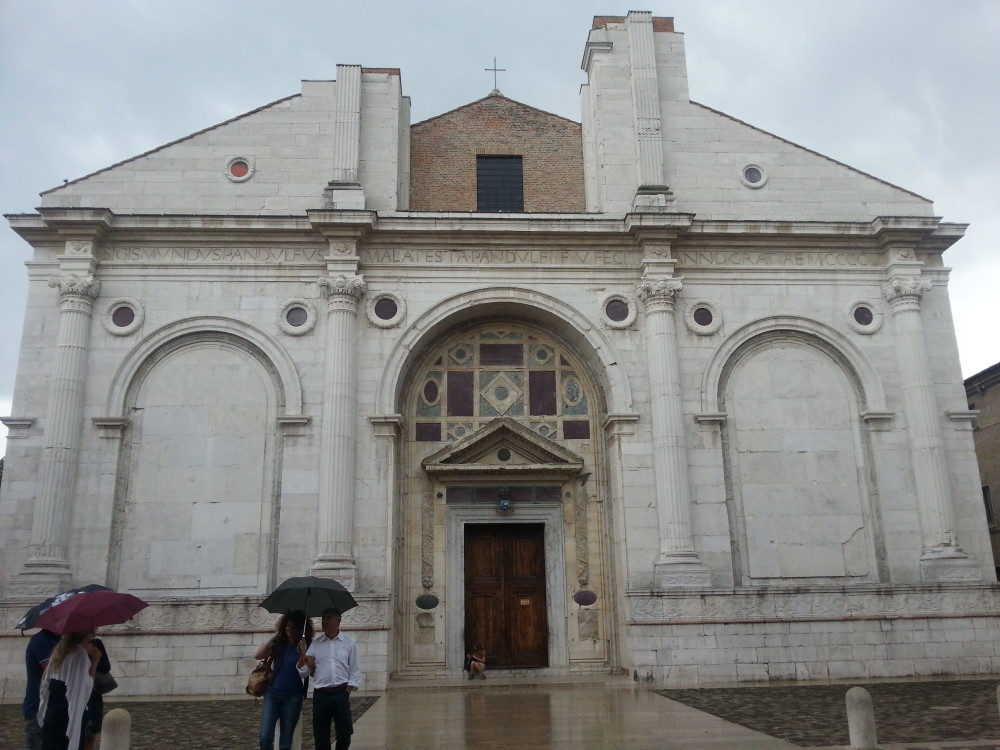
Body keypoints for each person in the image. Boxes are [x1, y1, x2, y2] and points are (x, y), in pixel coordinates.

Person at [300, 608, 361, 750]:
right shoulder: (316, 644)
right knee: (321, 736)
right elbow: (304, 672)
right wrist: (302, 654)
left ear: (338, 621)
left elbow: (354, 667)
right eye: (323, 619)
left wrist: (348, 689)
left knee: (344, 733)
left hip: (341, 693)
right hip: (321, 695)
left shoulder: (348, 643)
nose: (325, 622)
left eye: (328, 618)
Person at [255, 610, 315, 750]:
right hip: (272, 694)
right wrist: (274, 637)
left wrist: (303, 653)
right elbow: (258, 655)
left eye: (293, 626)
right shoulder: (279, 644)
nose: (289, 629)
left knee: (285, 742)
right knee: (265, 736)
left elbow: (307, 672)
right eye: (287, 625)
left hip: (293, 697)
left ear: (300, 629)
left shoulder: (306, 646)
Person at [38, 629, 100, 750]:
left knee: (51, 743)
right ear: (85, 634)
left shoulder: (61, 650)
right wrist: (95, 661)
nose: (94, 636)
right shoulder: (79, 654)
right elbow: (85, 687)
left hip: (53, 708)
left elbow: (45, 680)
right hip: (67, 709)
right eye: (93, 632)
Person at [23, 628, 60, 750]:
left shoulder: (57, 639)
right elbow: (52, 671)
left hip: (52, 706)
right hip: (38, 707)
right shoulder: (41, 640)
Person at [81, 636, 112, 750]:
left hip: (93, 694)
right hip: (78, 694)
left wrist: (95, 658)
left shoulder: (96, 643)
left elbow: (106, 667)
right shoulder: (71, 646)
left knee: (91, 734)